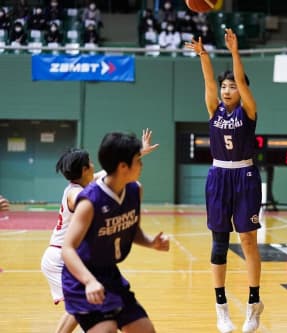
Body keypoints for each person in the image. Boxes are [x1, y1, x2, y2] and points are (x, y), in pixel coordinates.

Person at [185, 29, 264, 333]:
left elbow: (242, 82)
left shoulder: (248, 111)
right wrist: (203, 55)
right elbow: (208, 83)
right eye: (225, 86)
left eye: (233, 86)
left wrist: (234, 52)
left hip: (245, 176)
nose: (228, 90)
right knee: (219, 244)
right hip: (219, 176)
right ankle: (221, 309)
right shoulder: (213, 109)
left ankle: (253, 304)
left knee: (247, 241)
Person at [41, 129, 158, 333]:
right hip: (63, 255)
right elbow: (103, 186)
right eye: (90, 164)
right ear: (85, 169)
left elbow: (111, 172)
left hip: (74, 254)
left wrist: (140, 152)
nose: (94, 167)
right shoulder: (79, 195)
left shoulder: (85, 183)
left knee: (81, 306)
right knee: (79, 304)